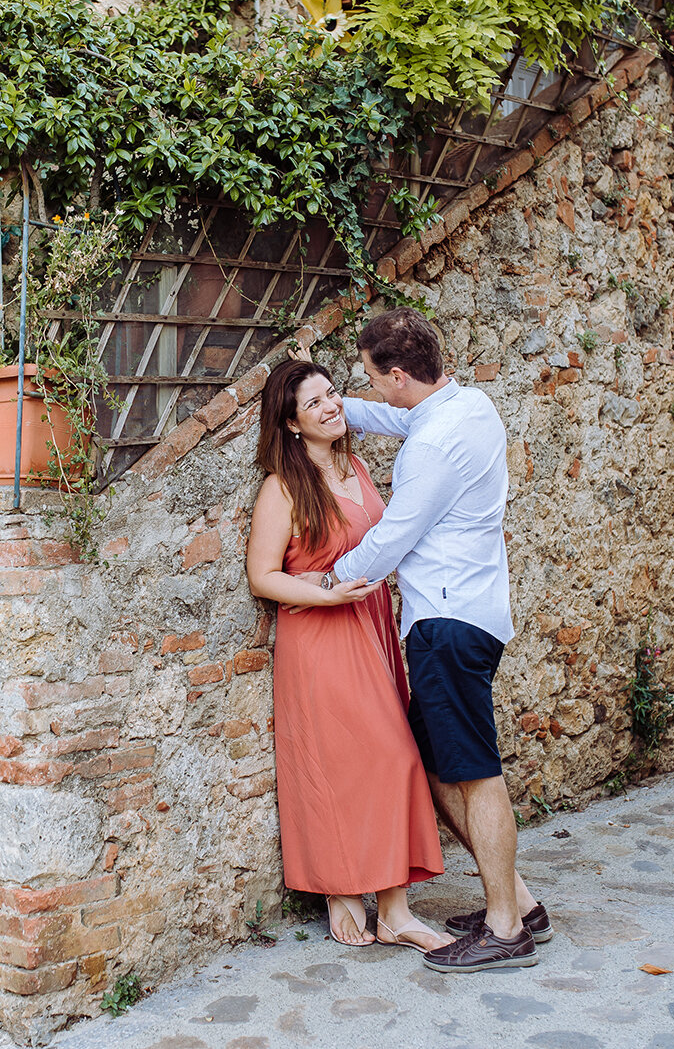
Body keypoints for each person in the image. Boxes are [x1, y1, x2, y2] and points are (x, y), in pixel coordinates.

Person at [309, 306, 551, 972]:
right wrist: (340, 408)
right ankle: (520, 900)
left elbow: (392, 538)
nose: (366, 388)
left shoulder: (430, 448)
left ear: (395, 375)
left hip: (446, 624)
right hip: (474, 613)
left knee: (475, 772)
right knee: (437, 764)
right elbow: (401, 414)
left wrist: (334, 577)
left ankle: (506, 928)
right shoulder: (470, 406)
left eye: (366, 379)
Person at [245, 359, 452, 951]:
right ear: (290, 422)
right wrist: (327, 592)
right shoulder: (282, 488)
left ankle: (392, 909)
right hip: (321, 635)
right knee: (357, 762)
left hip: (372, 624)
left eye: (332, 394)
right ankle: (341, 888)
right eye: (314, 403)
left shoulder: (357, 466)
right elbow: (263, 576)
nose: (332, 406)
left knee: (390, 758)